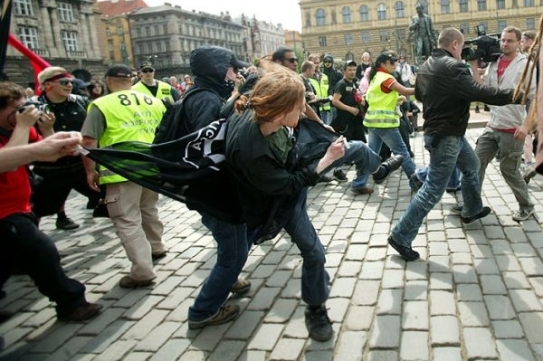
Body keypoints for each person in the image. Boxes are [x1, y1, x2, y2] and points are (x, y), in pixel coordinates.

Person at [388, 28, 522, 261]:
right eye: (460, 47)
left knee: (471, 166)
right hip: (446, 136)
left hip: (447, 133)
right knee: (432, 190)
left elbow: (419, 94)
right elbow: (480, 92)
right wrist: (516, 95)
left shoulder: (427, 65)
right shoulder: (454, 67)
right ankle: (400, 235)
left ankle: (472, 209)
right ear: (454, 45)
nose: (462, 52)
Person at [0, 81, 102, 322]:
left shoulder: (18, 127)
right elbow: (11, 160)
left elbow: (45, 150)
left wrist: (55, 135)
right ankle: (72, 303)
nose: (23, 113)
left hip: (19, 204)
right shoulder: (18, 128)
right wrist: (23, 126)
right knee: (43, 253)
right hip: (5, 211)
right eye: (16, 108)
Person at [180, 46, 254, 329]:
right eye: (233, 69)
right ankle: (204, 311)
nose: (236, 75)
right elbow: (207, 142)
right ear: (217, 69)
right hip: (215, 189)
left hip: (217, 187)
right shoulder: (204, 99)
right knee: (232, 254)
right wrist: (239, 99)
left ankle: (230, 278)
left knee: (242, 237)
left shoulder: (208, 95)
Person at [81, 64, 167, 288]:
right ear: (132, 79)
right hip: (151, 166)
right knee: (149, 209)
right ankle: (157, 246)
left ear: (108, 81)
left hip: (120, 170)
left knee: (127, 219)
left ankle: (142, 271)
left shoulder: (101, 104)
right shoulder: (153, 101)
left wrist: (90, 170)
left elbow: (89, 141)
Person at [474, 26, 536, 222]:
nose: (504, 44)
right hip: (493, 124)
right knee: (476, 163)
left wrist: (526, 126)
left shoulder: (525, 65)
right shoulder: (494, 62)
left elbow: (534, 98)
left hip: (512, 126)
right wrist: (473, 65)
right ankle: (472, 203)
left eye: (509, 41)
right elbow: (484, 88)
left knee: (508, 170)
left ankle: (527, 205)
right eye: (502, 40)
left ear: (519, 43)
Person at [33, 67, 101, 230]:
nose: (70, 85)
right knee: (37, 210)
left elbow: (93, 128)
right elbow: (30, 137)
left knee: (106, 194)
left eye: (71, 82)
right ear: (48, 84)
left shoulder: (81, 101)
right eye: (64, 82)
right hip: (51, 167)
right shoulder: (35, 106)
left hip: (81, 162)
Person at [361, 52, 418, 191]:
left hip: (373, 121)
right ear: (383, 64)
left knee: (372, 152)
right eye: (392, 62)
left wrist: (395, 100)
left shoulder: (376, 78)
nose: (395, 64)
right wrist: (426, 89)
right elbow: (405, 90)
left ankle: (359, 182)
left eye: (395, 62)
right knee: (402, 151)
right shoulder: (386, 78)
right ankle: (416, 181)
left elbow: (378, 98)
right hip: (384, 123)